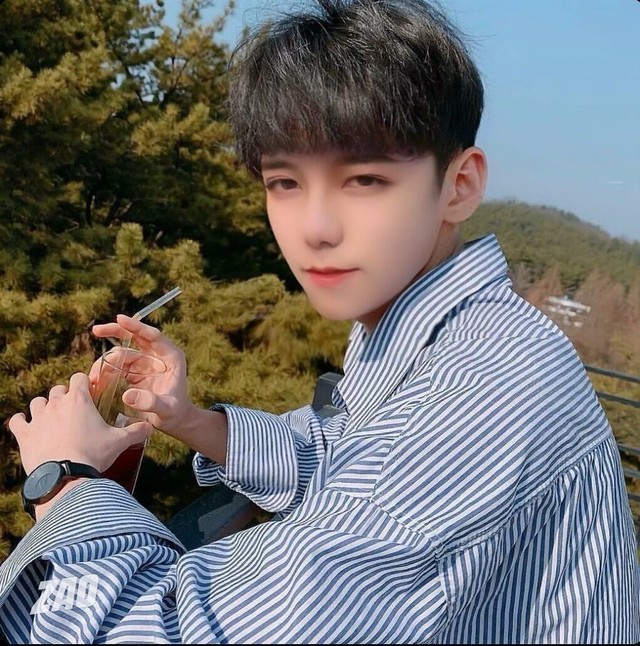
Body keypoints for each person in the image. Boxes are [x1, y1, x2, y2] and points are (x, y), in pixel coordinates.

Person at [1, 0, 638, 642]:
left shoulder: (490, 387)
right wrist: (190, 419)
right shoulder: (435, 333)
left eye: (364, 180)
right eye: (284, 182)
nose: (315, 228)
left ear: (460, 184)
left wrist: (65, 482)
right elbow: (342, 457)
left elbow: (182, 630)